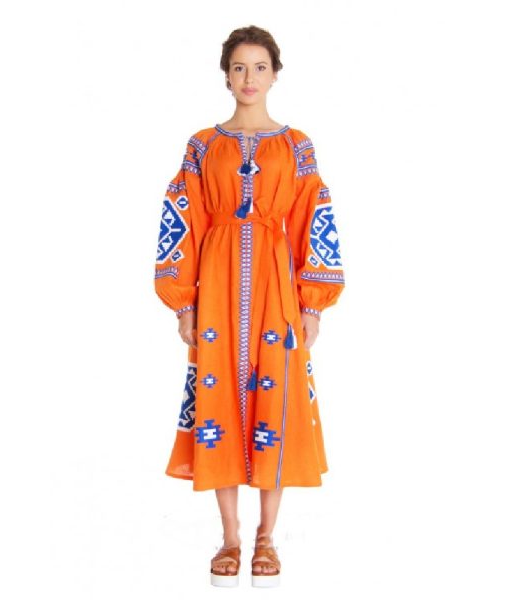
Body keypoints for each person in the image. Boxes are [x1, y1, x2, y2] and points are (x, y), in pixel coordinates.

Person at [153, 25, 345, 587]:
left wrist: (313, 303)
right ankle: (231, 537)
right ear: (226, 76)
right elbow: (182, 217)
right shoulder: (202, 146)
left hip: (274, 284)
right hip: (214, 286)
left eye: (260, 67)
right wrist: (182, 302)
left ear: (275, 74)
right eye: (239, 67)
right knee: (219, 399)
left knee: (274, 400)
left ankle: (267, 535)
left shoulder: (297, 146)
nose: (249, 78)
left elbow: (314, 213)